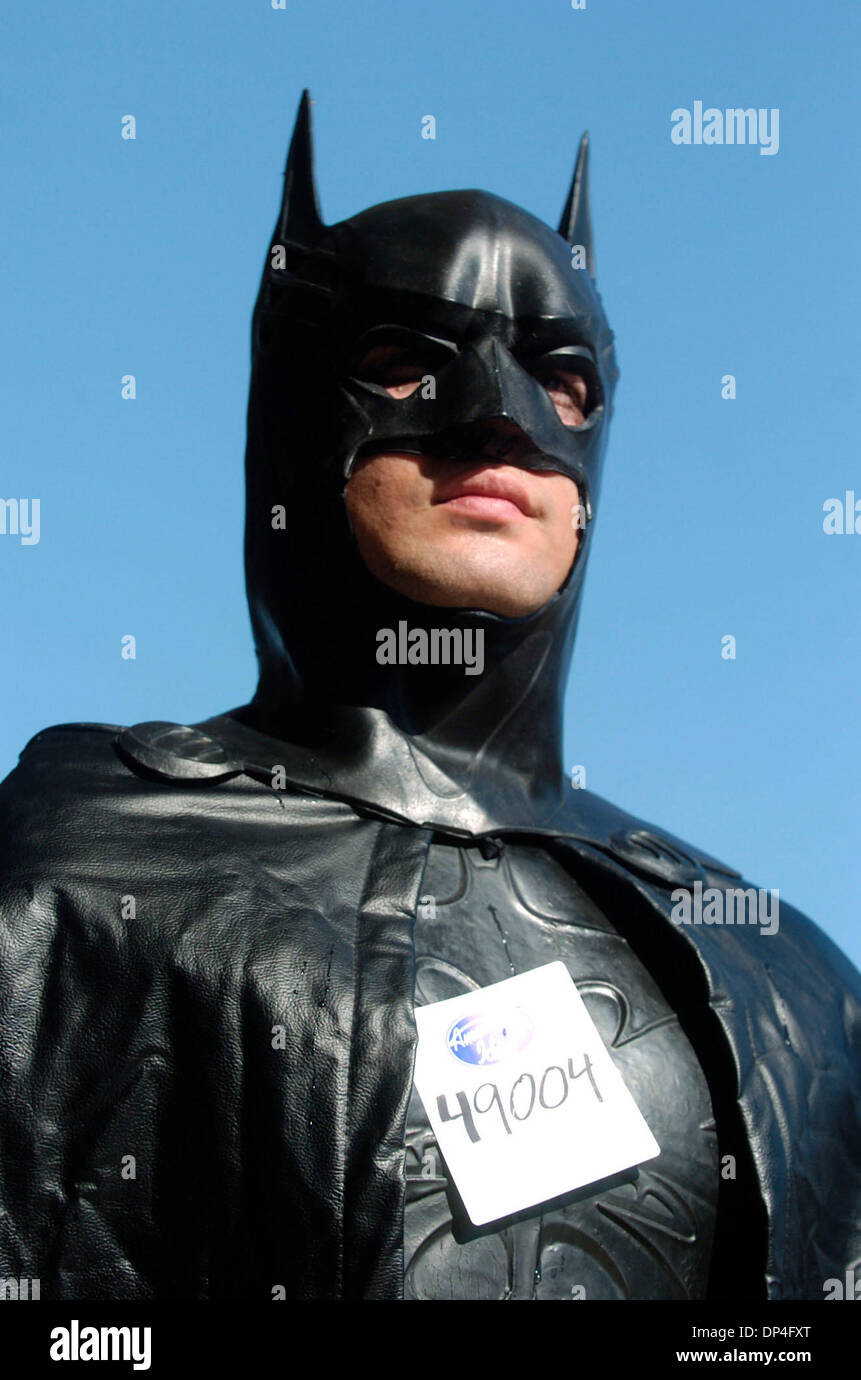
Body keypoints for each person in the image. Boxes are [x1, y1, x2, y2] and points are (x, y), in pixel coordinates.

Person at [0, 92, 858, 1302]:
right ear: (293, 415)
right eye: (404, 363)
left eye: (561, 378)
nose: (499, 419)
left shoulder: (779, 969)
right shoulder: (90, 872)